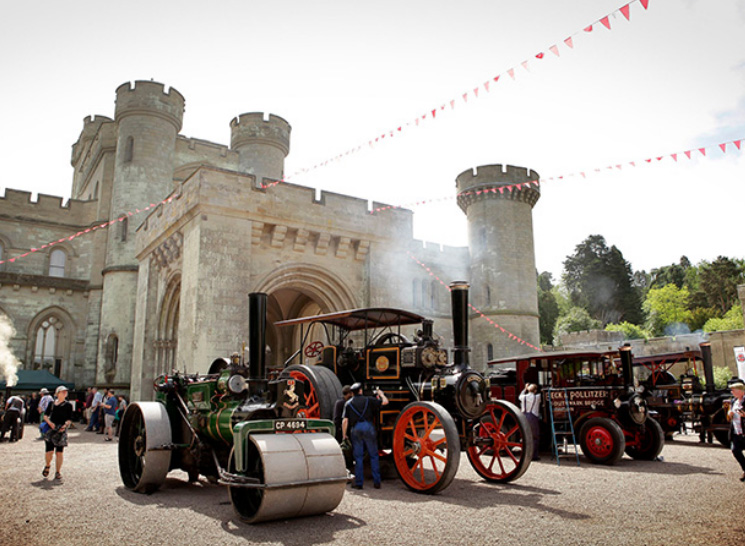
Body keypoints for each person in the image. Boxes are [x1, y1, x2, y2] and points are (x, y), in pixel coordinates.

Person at [342, 382, 388, 490]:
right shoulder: (369, 400)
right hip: (368, 427)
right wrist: (381, 394)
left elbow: (345, 421)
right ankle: (377, 482)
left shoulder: (348, 404)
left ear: (352, 393)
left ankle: (359, 483)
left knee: (358, 457)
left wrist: (344, 435)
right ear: (361, 391)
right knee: (374, 455)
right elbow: (385, 402)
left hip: (356, 429)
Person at [42, 386, 73, 481]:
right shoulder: (52, 403)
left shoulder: (68, 405)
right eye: (63, 392)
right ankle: (47, 465)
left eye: (66, 392)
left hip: (61, 429)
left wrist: (66, 425)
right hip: (51, 428)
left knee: (59, 452)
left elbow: (69, 419)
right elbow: (45, 416)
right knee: (49, 451)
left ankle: (58, 471)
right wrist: (50, 423)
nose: (65, 393)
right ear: (58, 393)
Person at [726, 380, 745, 482]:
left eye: (733, 390)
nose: (732, 392)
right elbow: (730, 411)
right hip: (736, 431)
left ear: (740, 391)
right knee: (735, 450)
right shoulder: (734, 401)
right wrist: (730, 413)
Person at [519, 383, 541, 461]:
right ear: (535, 391)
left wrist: (525, 388)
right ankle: (534, 455)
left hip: (524, 417)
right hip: (533, 417)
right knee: (534, 437)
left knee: (525, 437)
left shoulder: (523, 397)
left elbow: (520, 396)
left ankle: (525, 454)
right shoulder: (537, 397)